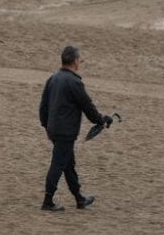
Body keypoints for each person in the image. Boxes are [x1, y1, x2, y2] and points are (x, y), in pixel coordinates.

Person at [39, 45, 112, 211]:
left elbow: (43, 106)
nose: (79, 63)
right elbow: (88, 107)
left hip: (54, 129)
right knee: (58, 164)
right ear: (74, 61)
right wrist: (101, 120)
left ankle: (79, 198)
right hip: (65, 132)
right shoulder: (74, 82)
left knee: (68, 164)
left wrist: (46, 125)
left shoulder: (53, 78)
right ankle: (47, 201)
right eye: (79, 60)